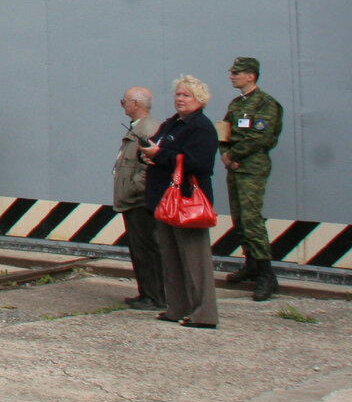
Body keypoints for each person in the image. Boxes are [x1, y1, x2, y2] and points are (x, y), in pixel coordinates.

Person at [139, 74, 220, 329]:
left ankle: (204, 313)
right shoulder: (173, 123)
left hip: (187, 201)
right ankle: (177, 308)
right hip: (165, 200)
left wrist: (160, 154)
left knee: (195, 260)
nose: (180, 99)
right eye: (178, 94)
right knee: (171, 257)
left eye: (186, 95)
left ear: (200, 99)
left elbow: (200, 163)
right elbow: (160, 148)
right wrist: (150, 155)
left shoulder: (201, 127)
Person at [220, 56, 283, 302]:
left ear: (251, 76)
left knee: (251, 218)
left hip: (252, 168)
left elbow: (261, 138)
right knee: (239, 218)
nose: (232, 76)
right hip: (235, 167)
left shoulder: (266, 104)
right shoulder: (237, 104)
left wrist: (234, 154)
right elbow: (223, 131)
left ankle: (267, 274)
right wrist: (225, 154)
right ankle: (251, 264)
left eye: (237, 73)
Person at [114, 86, 165, 311]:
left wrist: (134, 188)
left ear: (135, 104)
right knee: (140, 250)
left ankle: (154, 296)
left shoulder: (148, 130)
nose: (123, 105)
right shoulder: (138, 128)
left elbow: (148, 168)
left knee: (147, 249)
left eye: (124, 101)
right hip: (133, 200)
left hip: (140, 201)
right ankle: (146, 293)